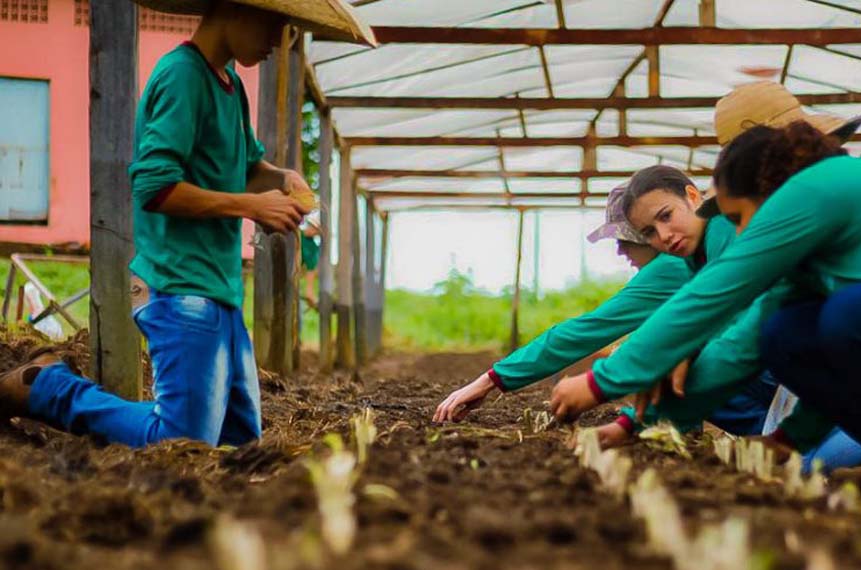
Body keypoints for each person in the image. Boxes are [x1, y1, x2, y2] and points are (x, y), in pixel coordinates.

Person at [0, 0, 373, 447]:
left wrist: (279, 177)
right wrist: (252, 207)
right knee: (182, 438)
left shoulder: (231, 84)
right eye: (273, 24)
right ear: (234, 10)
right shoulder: (182, 76)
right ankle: (47, 388)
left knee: (238, 440)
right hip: (180, 288)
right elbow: (155, 187)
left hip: (219, 291)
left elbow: (244, 164)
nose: (278, 41)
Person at [550, 120, 861, 477]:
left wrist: (600, 381)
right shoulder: (813, 256)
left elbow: (714, 295)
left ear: (772, 191)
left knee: (848, 316)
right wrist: (631, 425)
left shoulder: (818, 189)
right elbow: (742, 344)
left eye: (739, 219)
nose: (742, 236)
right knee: (786, 332)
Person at [434, 168, 777, 448]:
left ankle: (775, 430)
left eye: (624, 241)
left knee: (656, 356)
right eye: (647, 230)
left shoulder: (670, 266)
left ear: (690, 198)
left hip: (780, 373)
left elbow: (587, 330)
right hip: (779, 368)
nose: (620, 253)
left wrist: (491, 380)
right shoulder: (695, 252)